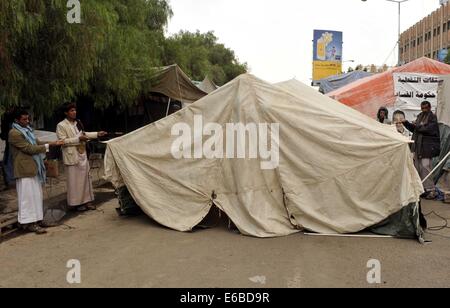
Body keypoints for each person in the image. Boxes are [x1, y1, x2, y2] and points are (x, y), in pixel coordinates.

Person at [9, 110, 64, 234]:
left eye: (28, 119)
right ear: (17, 120)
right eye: (24, 119)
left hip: (34, 167)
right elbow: (29, 148)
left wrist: (53, 143)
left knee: (36, 196)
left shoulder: (27, 130)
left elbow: (37, 143)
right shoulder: (14, 133)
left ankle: (38, 220)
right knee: (27, 198)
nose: (27, 121)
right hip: (24, 169)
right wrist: (46, 147)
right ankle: (28, 223)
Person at [56, 103, 107, 211]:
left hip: (82, 153)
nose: (74, 112)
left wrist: (97, 134)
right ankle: (77, 203)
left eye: (75, 110)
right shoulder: (61, 125)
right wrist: (78, 139)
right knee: (74, 181)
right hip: (72, 155)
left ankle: (87, 201)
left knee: (86, 179)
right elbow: (62, 141)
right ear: (66, 113)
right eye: (71, 111)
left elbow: (83, 134)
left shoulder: (78, 122)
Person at [403, 101, 441, 199]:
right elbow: (416, 129)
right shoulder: (419, 116)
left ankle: (431, 190)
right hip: (418, 147)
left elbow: (427, 129)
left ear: (429, 108)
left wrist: (416, 126)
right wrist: (406, 124)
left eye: (425, 108)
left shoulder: (432, 117)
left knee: (425, 167)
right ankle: (422, 189)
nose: (424, 110)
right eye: (422, 108)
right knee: (418, 168)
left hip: (427, 147)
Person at [1, 108, 15, 188]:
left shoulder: (7, 117)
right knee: (8, 160)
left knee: (8, 160)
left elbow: (4, 134)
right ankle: (11, 180)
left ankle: (11, 180)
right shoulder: (8, 117)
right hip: (9, 141)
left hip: (10, 142)